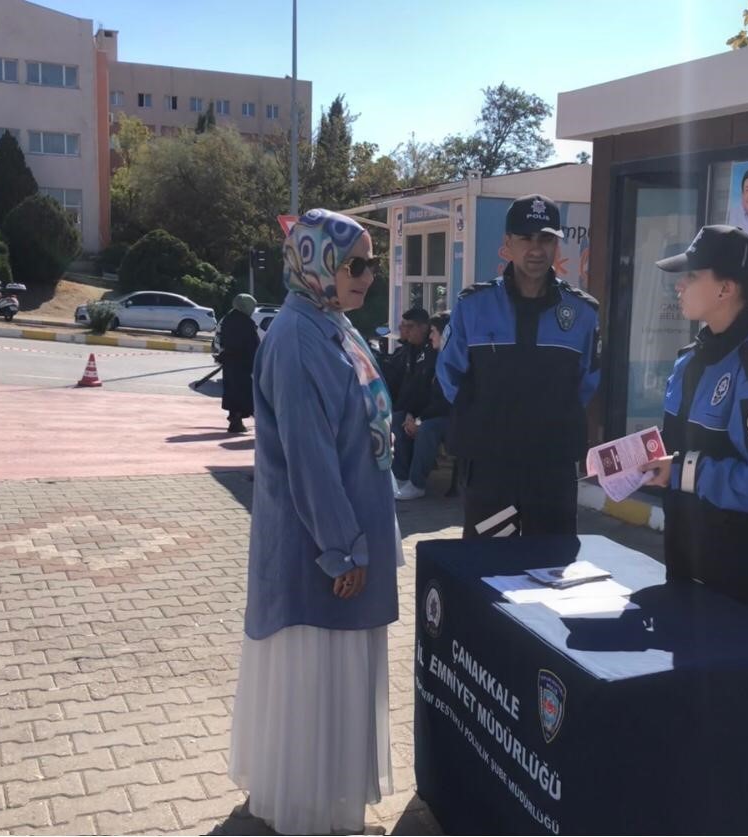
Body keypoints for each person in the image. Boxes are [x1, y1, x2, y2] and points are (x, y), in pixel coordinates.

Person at [228, 209, 399, 835]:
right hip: (320, 550)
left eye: (372, 264)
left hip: (344, 536)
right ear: (318, 260)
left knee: (335, 680)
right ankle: (307, 811)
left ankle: (323, 804)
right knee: (316, 679)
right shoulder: (299, 339)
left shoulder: (334, 324)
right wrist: (343, 550)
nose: (367, 276)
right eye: (356, 264)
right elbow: (309, 457)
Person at [641, 224, 748, 623]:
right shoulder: (690, 358)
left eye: (692, 276)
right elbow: (679, 441)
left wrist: (680, 473)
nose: (679, 285)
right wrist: (638, 458)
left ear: (725, 289)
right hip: (688, 562)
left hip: (743, 579)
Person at [437, 194, 600, 537]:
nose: (536, 249)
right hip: (491, 468)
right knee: (487, 568)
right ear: (508, 243)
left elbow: (587, 382)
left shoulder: (582, 313)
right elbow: (450, 375)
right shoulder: (474, 305)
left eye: (545, 239)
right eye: (525, 238)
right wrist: (489, 420)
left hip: (551, 469)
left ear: (558, 244)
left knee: (551, 572)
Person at [394, 311, 451, 500]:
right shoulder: (427, 355)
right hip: (431, 413)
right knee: (398, 419)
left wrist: (419, 420)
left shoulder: (452, 361)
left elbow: (444, 403)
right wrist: (411, 414)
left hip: (454, 418)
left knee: (427, 429)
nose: (431, 336)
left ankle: (417, 484)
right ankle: (401, 477)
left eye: (434, 332)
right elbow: (418, 391)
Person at [215, 294, 260, 433]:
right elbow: (252, 344)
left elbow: (222, 339)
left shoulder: (228, 319)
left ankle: (235, 421)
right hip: (242, 364)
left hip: (230, 362)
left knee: (232, 391)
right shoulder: (245, 322)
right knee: (245, 393)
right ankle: (247, 422)